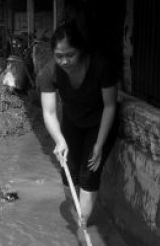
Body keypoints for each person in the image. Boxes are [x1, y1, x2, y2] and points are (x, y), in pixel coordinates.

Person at [38, 23, 118, 226]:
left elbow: (110, 106)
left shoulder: (101, 67)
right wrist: (59, 141)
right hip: (72, 121)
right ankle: (78, 218)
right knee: (67, 170)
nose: (64, 61)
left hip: (99, 123)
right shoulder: (49, 73)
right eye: (59, 55)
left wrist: (99, 144)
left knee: (89, 173)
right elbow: (48, 112)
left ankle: (82, 225)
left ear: (80, 50)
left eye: (70, 54)